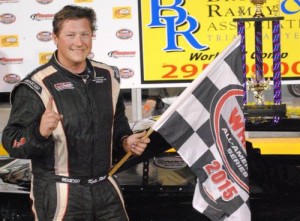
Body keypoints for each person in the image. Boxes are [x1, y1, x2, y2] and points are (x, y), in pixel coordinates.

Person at [1, 5, 150, 221]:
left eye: (84, 34)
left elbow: (117, 124)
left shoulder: (108, 76)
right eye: (70, 35)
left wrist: (126, 141)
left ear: (92, 36)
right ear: (55, 38)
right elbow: (12, 142)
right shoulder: (36, 85)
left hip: (104, 185)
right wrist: (39, 131)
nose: (78, 42)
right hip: (60, 191)